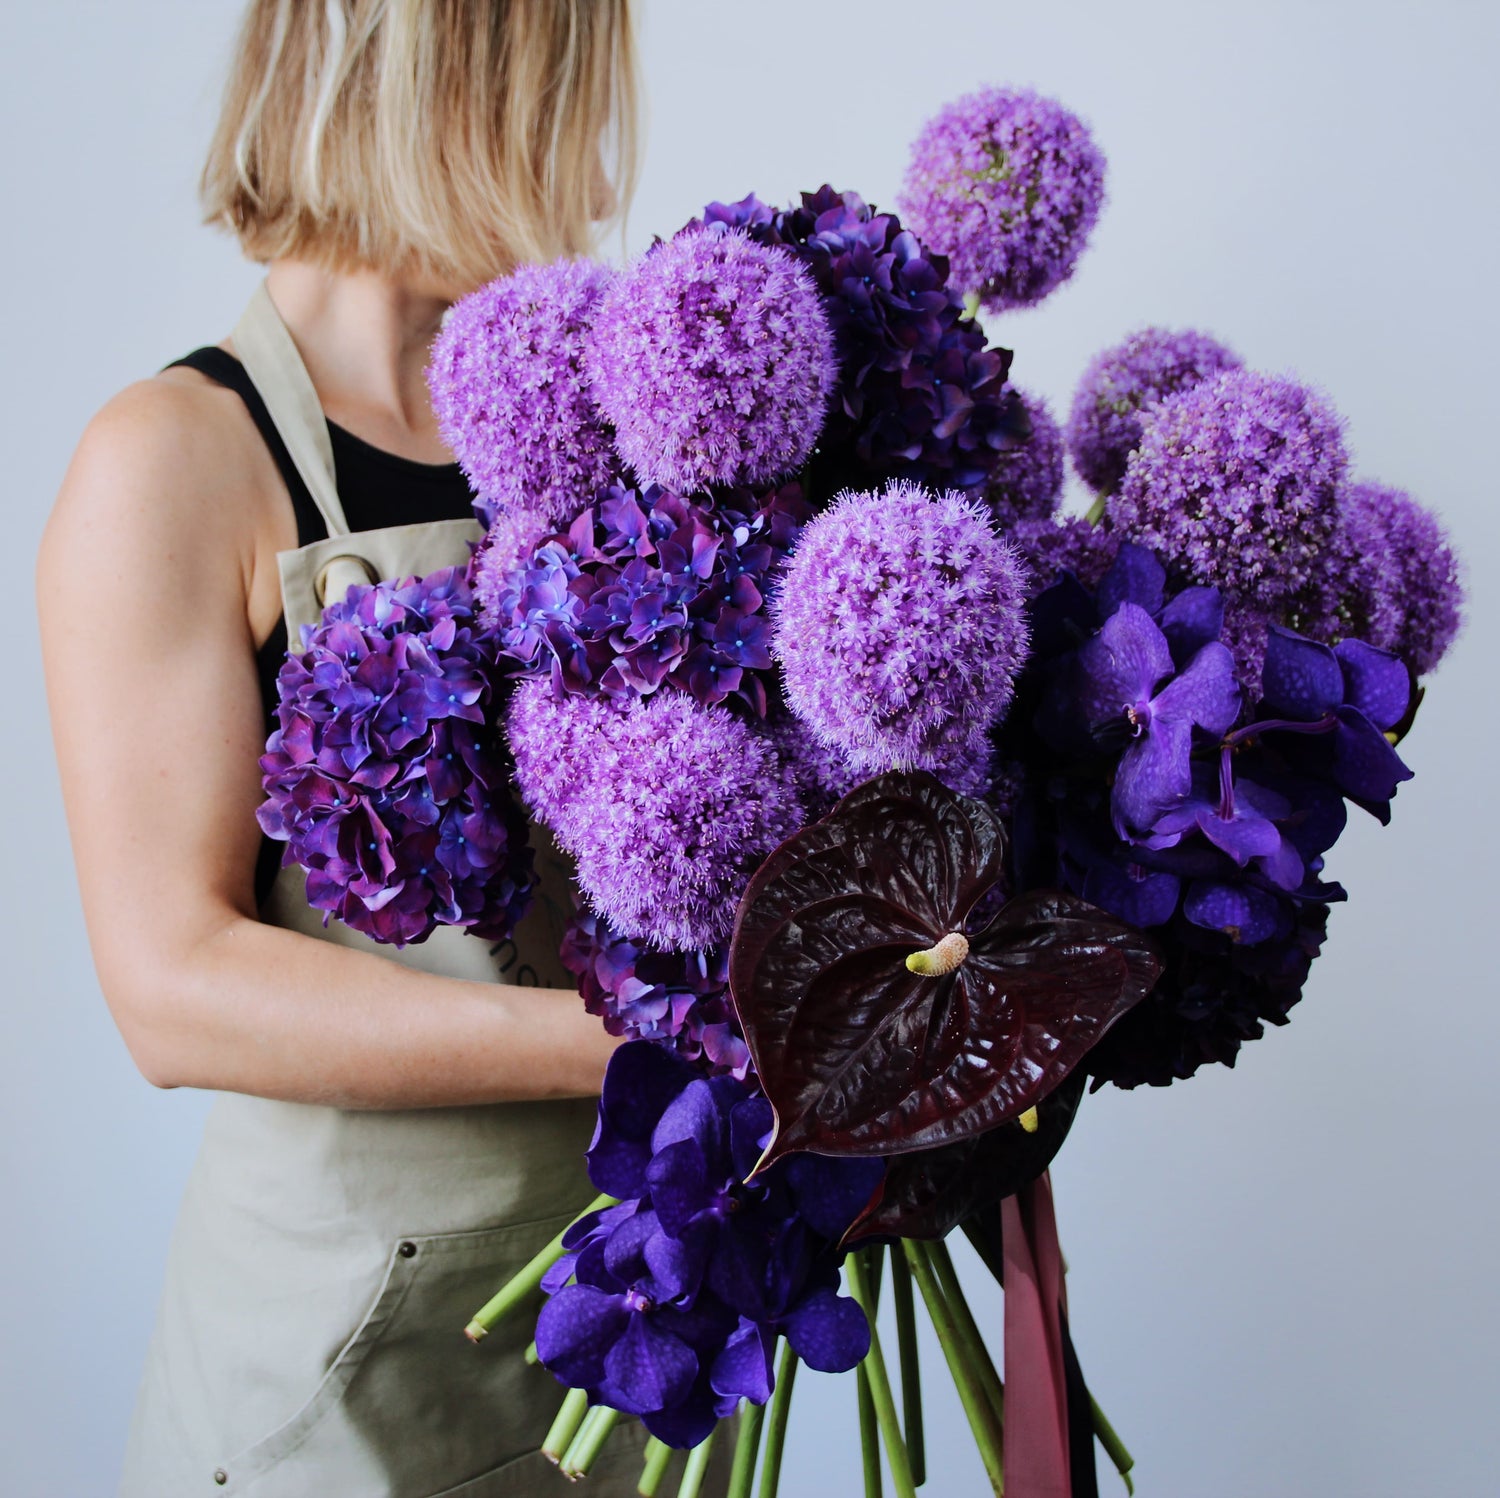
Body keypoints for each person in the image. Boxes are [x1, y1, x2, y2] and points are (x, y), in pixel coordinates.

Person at [36, 3, 694, 1493]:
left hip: (643, 1324)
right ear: (481, 80)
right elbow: (174, 989)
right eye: (569, 76)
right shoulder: (176, 461)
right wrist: (660, 1046)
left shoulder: (616, 435)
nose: (592, 134)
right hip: (345, 1383)